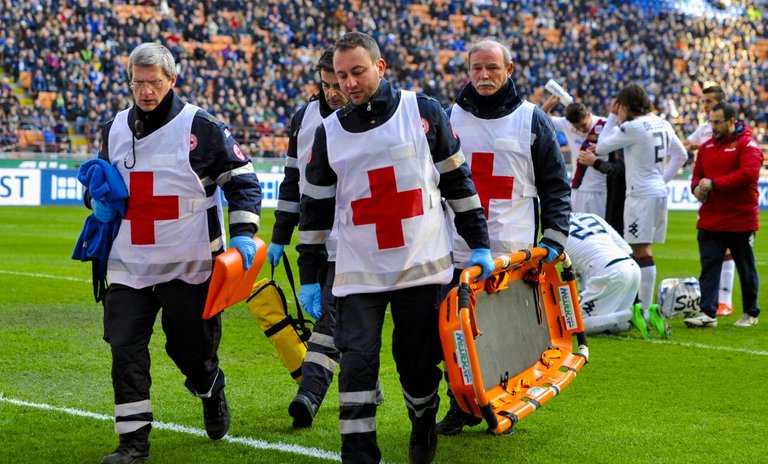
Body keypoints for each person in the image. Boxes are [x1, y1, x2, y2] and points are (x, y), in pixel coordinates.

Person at [296, 32, 493, 464]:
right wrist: (309, 274)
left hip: (421, 268)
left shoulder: (423, 112)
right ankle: (359, 455)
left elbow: (458, 182)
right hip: (358, 273)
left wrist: (479, 243)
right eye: (341, 76)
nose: (348, 84)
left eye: (357, 72)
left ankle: (423, 422)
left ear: (381, 67)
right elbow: (315, 211)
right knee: (357, 366)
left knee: (418, 366)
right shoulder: (329, 134)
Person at [87, 43, 262, 464]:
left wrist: (242, 234)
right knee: (125, 348)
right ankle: (133, 443)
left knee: (191, 354)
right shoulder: (112, 128)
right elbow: (104, 184)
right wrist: (97, 201)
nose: (146, 91)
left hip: (191, 268)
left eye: (155, 83)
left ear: (173, 80)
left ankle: (210, 386)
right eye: (139, 83)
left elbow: (243, 181)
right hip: (129, 266)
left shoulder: (199, 126)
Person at [437, 38, 571, 436]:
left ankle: (502, 402)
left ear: (509, 70)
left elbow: (555, 185)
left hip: (512, 253)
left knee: (501, 338)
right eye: (477, 68)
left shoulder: (533, 120)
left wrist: (555, 238)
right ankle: (459, 404)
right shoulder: (449, 118)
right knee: (453, 335)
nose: (483, 75)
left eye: (492, 68)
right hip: (456, 247)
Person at [264, 47, 374, 429]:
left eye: (338, 83)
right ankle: (367, 381)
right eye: (326, 84)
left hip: (359, 238)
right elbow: (292, 181)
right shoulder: (304, 119)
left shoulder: (370, 118)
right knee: (342, 320)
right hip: (318, 238)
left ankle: (309, 393)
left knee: (330, 317)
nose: (333, 92)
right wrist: (279, 234)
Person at [595, 84, 687, 321]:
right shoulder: (662, 122)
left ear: (625, 106)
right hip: (657, 192)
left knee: (639, 249)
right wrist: (662, 181)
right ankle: (641, 307)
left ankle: (644, 311)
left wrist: (613, 117)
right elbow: (681, 156)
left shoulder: (632, 127)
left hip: (640, 195)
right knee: (642, 248)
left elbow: (601, 146)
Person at [684, 101, 762, 329]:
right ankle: (708, 312)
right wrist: (696, 188)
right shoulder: (707, 147)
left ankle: (750, 312)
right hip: (710, 219)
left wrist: (714, 184)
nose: (713, 127)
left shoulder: (747, 144)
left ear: (731, 121)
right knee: (709, 267)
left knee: (745, 268)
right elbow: (697, 176)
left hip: (740, 219)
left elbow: (748, 175)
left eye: (717, 122)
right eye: (711, 122)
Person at [684, 85, 735, 317]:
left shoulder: (734, 130)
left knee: (728, 250)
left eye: (708, 102)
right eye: (703, 102)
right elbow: (687, 144)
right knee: (712, 251)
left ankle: (726, 300)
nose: (704, 106)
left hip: (727, 196)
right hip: (706, 197)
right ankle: (713, 302)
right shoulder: (704, 129)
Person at [565, 212, 659, 338]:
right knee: (611, 323)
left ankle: (633, 314)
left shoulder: (555, 231)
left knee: (572, 324)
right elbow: (627, 249)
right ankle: (647, 315)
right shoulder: (591, 216)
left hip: (610, 273)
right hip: (632, 267)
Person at [541, 96, 608, 217]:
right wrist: (550, 102)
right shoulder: (566, 124)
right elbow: (541, 119)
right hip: (578, 187)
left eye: (583, 125)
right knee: (579, 228)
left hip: (600, 188)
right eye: (577, 128)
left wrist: (601, 148)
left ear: (588, 115)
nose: (582, 130)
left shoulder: (604, 125)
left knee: (601, 229)